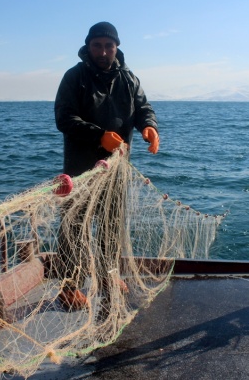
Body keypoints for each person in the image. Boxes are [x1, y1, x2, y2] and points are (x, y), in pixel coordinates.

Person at [54, 22, 159, 311]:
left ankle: (107, 276)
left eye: (108, 45)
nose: (103, 51)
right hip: (81, 171)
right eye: (97, 45)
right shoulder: (75, 77)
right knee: (74, 226)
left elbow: (143, 108)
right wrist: (99, 135)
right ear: (88, 47)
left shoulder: (129, 78)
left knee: (111, 225)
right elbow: (64, 118)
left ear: (117, 47)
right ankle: (69, 286)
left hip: (115, 170)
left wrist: (149, 126)